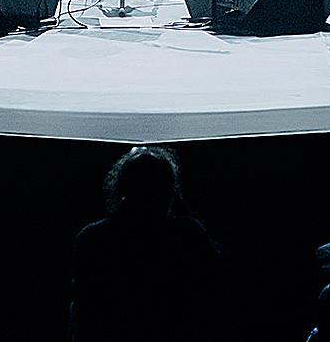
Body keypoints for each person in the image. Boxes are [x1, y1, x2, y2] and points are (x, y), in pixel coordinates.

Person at [70, 146, 221, 342]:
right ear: (169, 189)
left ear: (122, 187)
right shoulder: (188, 234)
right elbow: (211, 296)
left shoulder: (93, 237)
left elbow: (83, 310)